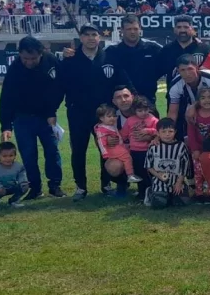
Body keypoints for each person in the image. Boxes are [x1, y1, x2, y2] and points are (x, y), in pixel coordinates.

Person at [59, 24, 134, 201]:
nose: (91, 38)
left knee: (107, 149)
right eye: (87, 35)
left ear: (99, 37)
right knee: (78, 150)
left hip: (105, 115)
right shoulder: (70, 59)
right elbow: (59, 86)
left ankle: (106, 184)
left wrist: (132, 100)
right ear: (81, 38)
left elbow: (124, 81)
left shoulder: (109, 58)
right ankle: (80, 187)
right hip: (78, 113)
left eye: (94, 34)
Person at [0, 36, 64, 200]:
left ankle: (55, 186)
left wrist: (51, 112)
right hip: (22, 118)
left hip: (46, 117)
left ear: (41, 53)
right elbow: (6, 98)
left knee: (52, 151)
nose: (29, 62)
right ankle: (35, 188)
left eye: (33, 58)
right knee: (28, 154)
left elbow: (59, 88)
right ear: (19, 54)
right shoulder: (15, 69)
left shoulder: (51, 61)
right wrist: (6, 125)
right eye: (25, 58)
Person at [104, 15, 162, 103]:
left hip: (147, 102)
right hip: (121, 103)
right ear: (122, 30)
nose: (132, 32)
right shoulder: (111, 50)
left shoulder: (152, 48)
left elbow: (170, 58)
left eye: (135, 29)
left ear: (140, 29)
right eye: (128, 29)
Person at [167, 54, 210, 140]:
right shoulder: (175, 85)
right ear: (178, 71)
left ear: (197, 68)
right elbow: (173, 112)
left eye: (190, 69)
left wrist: (194, 106)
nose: (187, 74)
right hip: (189, 114)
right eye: (182, 70)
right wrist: (167, 131)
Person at [186, 88, 210, 202]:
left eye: (209, 97)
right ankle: (199, 193)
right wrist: (194, 149)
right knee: (198, 172)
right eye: (203, 98)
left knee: (209, 171)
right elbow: (191, 134)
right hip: (197, 149)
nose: (206, 100)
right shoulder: (194, 115)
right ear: (198, 101)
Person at [157, 15, 210, 94]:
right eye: (179, 27)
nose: (182, 30)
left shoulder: (204, 49)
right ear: (174, 29)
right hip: (174, 97)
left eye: (186, 27)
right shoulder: (166, 50)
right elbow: (157, 73)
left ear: (191, 28)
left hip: (201, 97)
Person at [144, 118, 192, 208]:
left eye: (170, 131)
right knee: (159, 205)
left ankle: (170, 195)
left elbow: (184, 166)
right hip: (160, 179)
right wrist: (158, 175)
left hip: (177, 179)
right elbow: (148, 166)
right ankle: (151, 192)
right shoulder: (154, 147)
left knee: (182, 203)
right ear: (158, 133)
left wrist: (179, 182)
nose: (167, 134)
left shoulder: (181, 146)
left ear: (175, 132)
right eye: (163, 131)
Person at [120, 96, 159, 194]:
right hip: (135, 151)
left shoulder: (153, 119)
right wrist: (123, 143)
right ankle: (141, 192)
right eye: (140, 110)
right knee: (138, 171)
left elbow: (159, 132)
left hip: (149, 150)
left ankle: (152, 190)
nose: (143, 113)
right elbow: (124, 134)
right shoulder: (130, 120)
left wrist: (148, 130)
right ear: (135, 110)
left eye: (145, 110)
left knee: (149, 172)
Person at [94, 104, 141, 183]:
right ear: (101, 118)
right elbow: (101, 143)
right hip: (112, 150)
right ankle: (130, 175)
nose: (112, 118)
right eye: (109, 116)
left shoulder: (110, 125)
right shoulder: (101, 130)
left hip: (119, 146)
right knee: (127, 157)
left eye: (114, 116)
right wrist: (105, 154)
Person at [0, 142, 29, 212]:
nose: (8, 158)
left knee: (24, 187)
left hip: (10, 186)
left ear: (15, 156)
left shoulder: (18, 167)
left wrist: (23, 182)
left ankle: (13, 201)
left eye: (11, 155)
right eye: (4, 156)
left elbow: (21, 175)